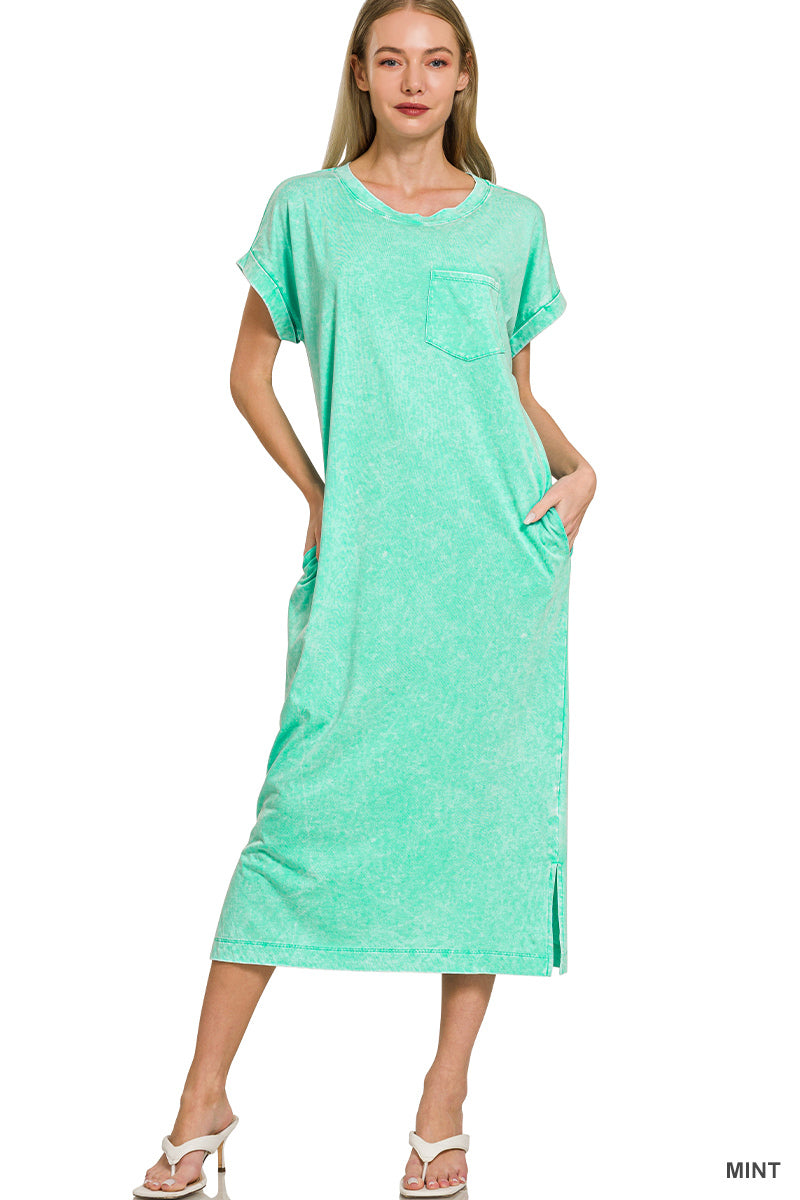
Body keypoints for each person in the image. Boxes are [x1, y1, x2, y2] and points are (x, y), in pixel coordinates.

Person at [133, 1, 596, 1196]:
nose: (412, 78)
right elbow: (247, 372)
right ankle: (201, 1100)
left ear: (462, 78)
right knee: (296, 817)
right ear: (360, 72)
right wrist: (316, 493)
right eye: (390, 58)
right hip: (368, 567)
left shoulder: (512, 222)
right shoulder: (306, 210)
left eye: (434, 60)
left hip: (495, 569)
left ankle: (442, 1106)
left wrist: (580, 472)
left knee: (482, 822)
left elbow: (507, 391)